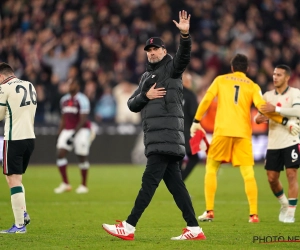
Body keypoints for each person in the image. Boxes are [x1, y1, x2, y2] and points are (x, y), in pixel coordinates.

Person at [102, 10, 206, 241]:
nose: (151, 53)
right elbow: (131, 104)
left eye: (155, 49)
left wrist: (185, 35)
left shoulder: (171, 68)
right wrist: (146, 96)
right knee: (177, 186)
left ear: (164, 51)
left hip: (166, 137)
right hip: (158, 138)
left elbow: (183, 57)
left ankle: (128, 226)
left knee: (148, 182)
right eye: (148, 50)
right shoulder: (145, 78)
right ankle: (194, 229)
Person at [190, 54, 300, 223]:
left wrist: (196, 121)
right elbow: (264, 109)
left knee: (211, 168)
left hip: (222, 131)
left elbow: (206, 100)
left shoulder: (220, 80)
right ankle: (253, 214)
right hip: (242, 133)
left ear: (232, 67)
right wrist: (286, 122)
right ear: (247, 69)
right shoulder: (252, 86)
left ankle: (209, 211)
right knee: (248, 173)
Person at [255, 65, 300, 223]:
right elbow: (258, 117)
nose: (275, 77)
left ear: (287, 77)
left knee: (291, 174)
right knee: (272, 178)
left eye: (279, 75)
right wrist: (259, 119)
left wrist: (277, 109)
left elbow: (298, 112)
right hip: (274, 142)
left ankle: (291, 213)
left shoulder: (295, 93)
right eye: (274, 74)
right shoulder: (267, 96)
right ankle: (284, 204)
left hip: (291, 139)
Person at [0, 62, 36, 233]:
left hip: (14, 138)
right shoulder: (29, 85)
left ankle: (20, 225)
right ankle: (23, 213)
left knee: (13, 180)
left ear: (1, 77)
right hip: (30, 138)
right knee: (15, 179)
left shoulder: (4, 88)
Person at [54, 78, 94, 194]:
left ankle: (83, 185)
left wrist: (73, 135)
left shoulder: (82, 99)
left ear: (77, 86)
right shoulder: (64, 100)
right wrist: (59, 132)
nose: (70, 86)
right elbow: (63, 118)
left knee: (81, 155)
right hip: (68, 129)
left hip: (82, 130)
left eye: (73, 84)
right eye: (69, 83)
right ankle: (65, 183)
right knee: (60, 154)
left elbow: (83, 119)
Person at [180, 72, 199, 181]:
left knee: (179, 160)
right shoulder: (190, 95)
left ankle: (178, 185)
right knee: (194, 158)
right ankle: (179, 183)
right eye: (190, 81)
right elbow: (194, 113)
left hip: (172, 132)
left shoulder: (171, 93)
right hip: (186, 133)